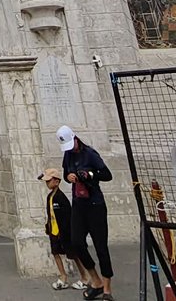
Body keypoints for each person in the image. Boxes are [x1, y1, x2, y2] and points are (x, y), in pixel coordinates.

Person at [59, 125, 114, 301]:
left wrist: (89, 174)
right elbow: (66, 172)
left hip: (95, 204)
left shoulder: (90, 154)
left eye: (70, 144)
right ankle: (95, 280)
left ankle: (107, 288)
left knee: (101, 247)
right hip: (78, 203)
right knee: (77, 242)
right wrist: (69, 177)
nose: (70, 149)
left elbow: (106, 174)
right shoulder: (68, 154)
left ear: (75, 139)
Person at [40, 167, 90, 291]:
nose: (47, 183)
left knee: (73, 255)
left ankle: (85, 276)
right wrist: (48, 227)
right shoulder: (50, 197)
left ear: (56, 181)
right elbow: (50, 214)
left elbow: (68, 215)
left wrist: (68, 232)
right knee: (55, 253)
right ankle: (63, 277)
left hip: (65, 233)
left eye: (49, 181)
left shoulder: (61, 198)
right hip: (54, 231)